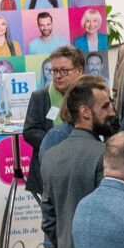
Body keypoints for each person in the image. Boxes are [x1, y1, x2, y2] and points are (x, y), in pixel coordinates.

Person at [39, 78, 115, 248]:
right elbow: (111, 213)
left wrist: (66, 246)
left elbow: (48, 220)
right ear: (85, 112)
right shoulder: (105, 155)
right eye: (105, 106)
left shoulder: (51, 156)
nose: (112, 112)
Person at [20, 47, 84, 193]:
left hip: (82, 168)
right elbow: (30, 131)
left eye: (64, 70)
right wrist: (59, 143)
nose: (58, 76)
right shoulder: (40, 96)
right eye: (54, 71)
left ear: (79, 71)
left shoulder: (90, 95)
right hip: (48, 170)